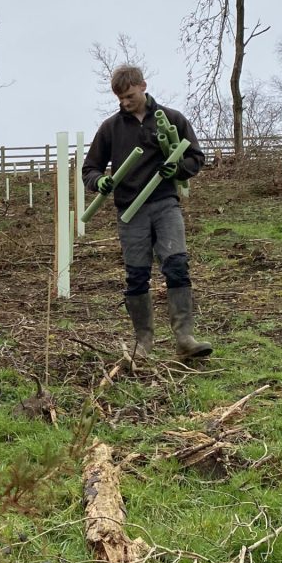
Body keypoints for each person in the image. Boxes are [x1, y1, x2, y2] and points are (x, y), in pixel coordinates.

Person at [82, 65, 212, 361]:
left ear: (143, 86)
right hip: (130, 210)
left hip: (165, 204)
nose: (125, 102)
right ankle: (143, 342)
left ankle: (184, 338)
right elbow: (89, 169)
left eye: (129, 96)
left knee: (177, 265)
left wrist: (177, 169)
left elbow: (195, 157)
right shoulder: (110, 128)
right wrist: (99, 181)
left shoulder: (173, 119)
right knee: (137, 275)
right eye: (120, 98)